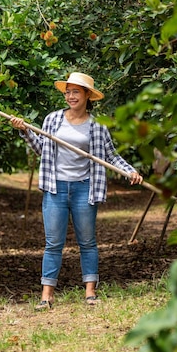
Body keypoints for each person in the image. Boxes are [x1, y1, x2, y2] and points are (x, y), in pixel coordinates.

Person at [10, 72, 143, 309]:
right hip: (55, 188)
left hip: (84, 189)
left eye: (76, 92)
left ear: (88, 95)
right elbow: (42, 150)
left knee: (88, 242)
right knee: (53, 243)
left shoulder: (97, 126)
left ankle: (90, 292)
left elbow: (111, 156)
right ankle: (46, 295)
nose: (70, 96)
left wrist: (130, 171)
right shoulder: (52, 120)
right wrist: (26, 131)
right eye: (68, 92)